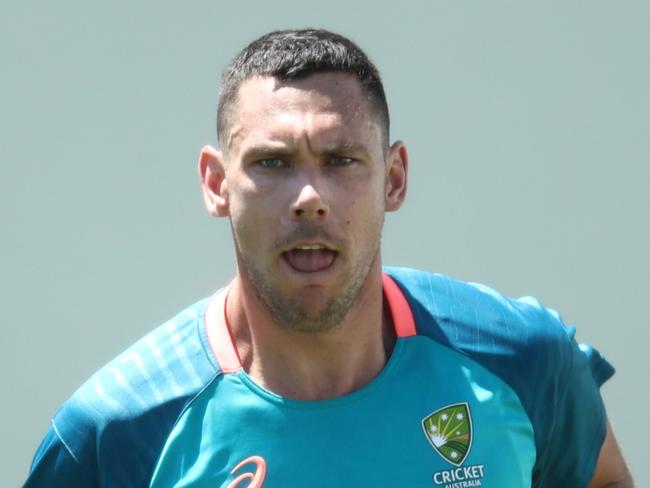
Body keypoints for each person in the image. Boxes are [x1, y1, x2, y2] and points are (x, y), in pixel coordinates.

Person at [25, 28, 632, 487]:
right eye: (272, 163)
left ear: (393, 179)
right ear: (216, 184)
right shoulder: (113, 434)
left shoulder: (521, 361)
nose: (309, 199)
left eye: (341, 160)